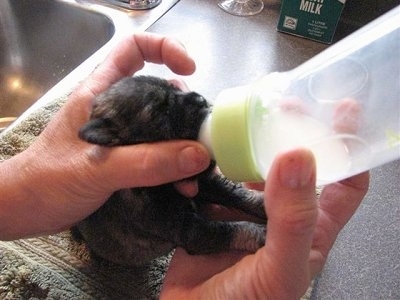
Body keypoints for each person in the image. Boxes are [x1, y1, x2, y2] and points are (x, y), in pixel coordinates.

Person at [0, 33, 369, 299]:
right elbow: (195, 234)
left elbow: (211, 186)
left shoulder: (153, 167)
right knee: (195, 210)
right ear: (116, 140)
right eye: (163, 110)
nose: (190, 99)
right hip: (127, 254)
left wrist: (258, 205)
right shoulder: (139, 200)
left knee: (203, 186)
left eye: (173, 93)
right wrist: (261, 236)